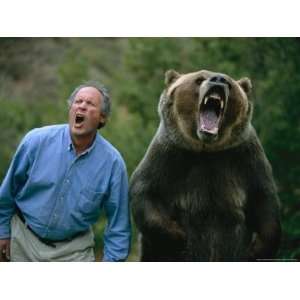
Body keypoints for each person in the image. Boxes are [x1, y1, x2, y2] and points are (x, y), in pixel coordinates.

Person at [0, 82, 131, 262]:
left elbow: (119, 224)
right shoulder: (36, 141)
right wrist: (2, 231)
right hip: (22, 240)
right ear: (71, 109)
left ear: (102, 118)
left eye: (90, 104)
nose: (82, 106)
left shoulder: (113, 164)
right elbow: (7, 193)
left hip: (73, 252)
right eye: (78, 102)